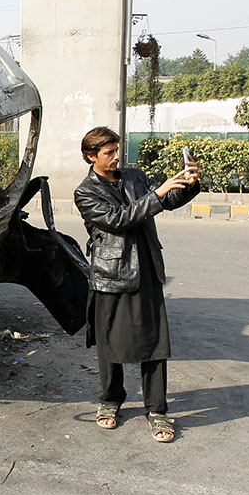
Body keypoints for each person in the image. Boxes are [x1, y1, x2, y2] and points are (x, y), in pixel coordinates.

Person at [73, 127, 200, 443]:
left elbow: (167, 199)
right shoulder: (85, 192)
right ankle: (111, 401)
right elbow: (118, 219)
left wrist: (188, 184)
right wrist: (157, 195)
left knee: (155, 342)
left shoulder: (134, 177)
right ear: (91, 157)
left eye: (117, 150)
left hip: (146, 268)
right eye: (109, 153)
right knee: (109, 342)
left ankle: (157, 410)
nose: (117, 157)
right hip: (111, 273)